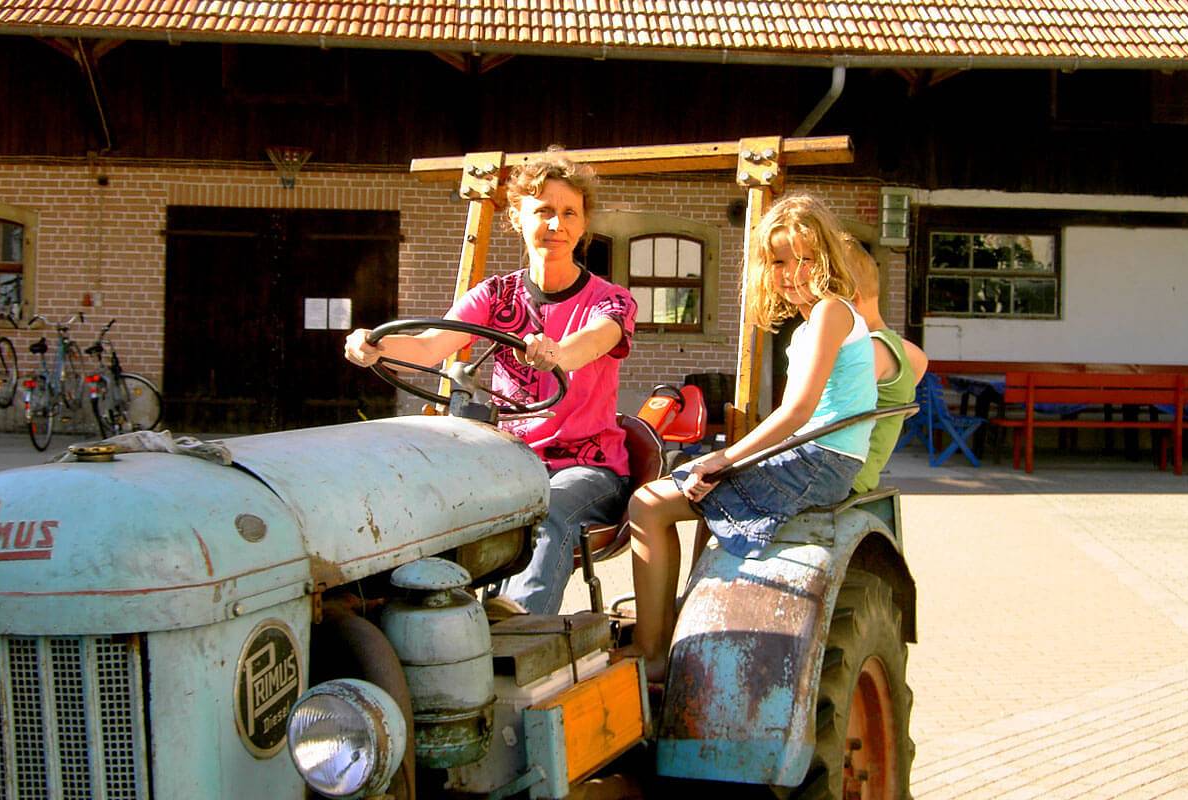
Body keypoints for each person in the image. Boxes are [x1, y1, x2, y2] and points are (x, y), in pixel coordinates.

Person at [343, 149, 636, 615]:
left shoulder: (611, 301)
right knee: (429, 497)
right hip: (511, 461)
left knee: (547, 510)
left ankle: (520, 628)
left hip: (586, 467)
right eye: (543, 211)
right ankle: (421, 617)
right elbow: (428, 347)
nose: (556, 225)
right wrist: (375, 345)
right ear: (517, 218)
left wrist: (557, 353)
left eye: (569, 213)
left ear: (583, 225)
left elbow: (594, 341)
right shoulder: (496, 296)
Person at [625, 194, 877, 681]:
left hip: (820, 460)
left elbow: (798, 410)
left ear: (826, 257)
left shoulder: (830, 312)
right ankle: (680, 619)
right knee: (697, 494)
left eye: (804, 258)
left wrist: (724, 458)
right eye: (779, 262)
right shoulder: (815, 321)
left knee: (647, 504)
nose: (791, 273)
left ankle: (651, 650)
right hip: (821, 454)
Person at [841, 235, 929, 493]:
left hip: (845, 474)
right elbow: (920, 360)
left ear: (852, 300)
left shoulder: (868, 352)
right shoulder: (903, 350)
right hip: (865, 471)